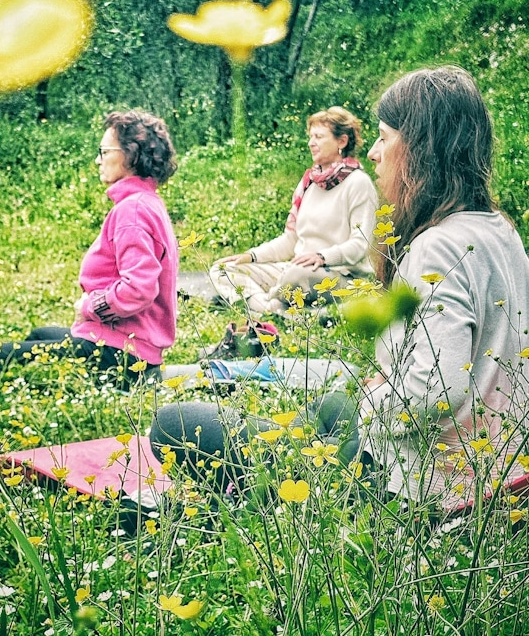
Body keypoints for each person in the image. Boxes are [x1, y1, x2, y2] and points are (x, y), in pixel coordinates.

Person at [151, 66, 529, 513]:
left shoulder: (438, 247)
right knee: (332, 403)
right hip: (493, 463)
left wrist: (374, 401)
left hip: (419, 481)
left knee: (172, 423)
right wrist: (385, 386)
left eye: (384, 139)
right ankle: (293, 450)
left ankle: (271, 489)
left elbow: (436, 391)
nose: (374, 152)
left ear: (422, 150)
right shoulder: (500, 230)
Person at [0, 110, 180, 388]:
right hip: (129, 346)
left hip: (124, 357)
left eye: (104, 151)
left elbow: (138, 290)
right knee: (39, 335)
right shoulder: (147, 202)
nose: (98, 160)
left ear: (131, 155)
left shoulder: (133, 211)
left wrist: (90, 306)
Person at [209, 107, 379, 314]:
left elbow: (360, 245)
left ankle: (265, 306)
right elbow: (291, 240)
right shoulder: (309, 183)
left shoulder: (359, 183)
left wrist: (322, 256)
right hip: (295, 271)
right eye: (310, 137)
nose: (311, 143)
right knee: (223, 270)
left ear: (341, 141)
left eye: (318, 137)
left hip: (338, 276)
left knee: (296, 276)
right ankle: (276, 309)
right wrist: (251, 256)